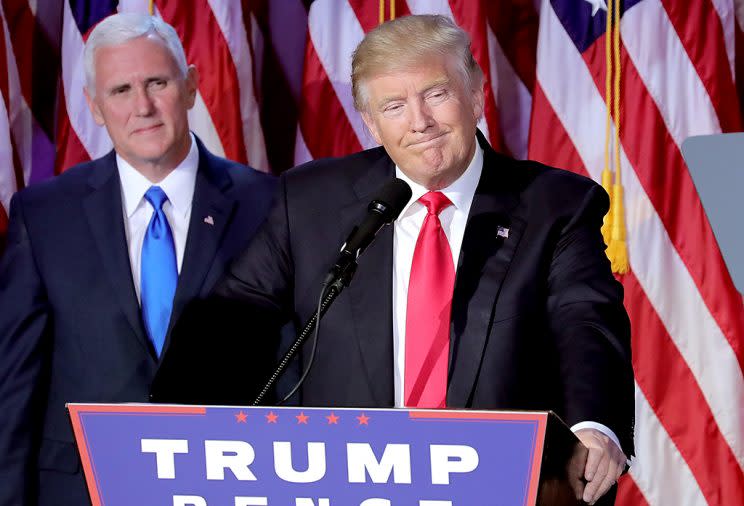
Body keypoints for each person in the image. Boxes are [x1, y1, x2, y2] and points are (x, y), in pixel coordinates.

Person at [165, 14, 634, 506]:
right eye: (394, 105)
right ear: (371, 123)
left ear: (475, 94)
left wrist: (594, 424)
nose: (420, 122)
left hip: (501, 486)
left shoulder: (555, 204)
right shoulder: (310, 202)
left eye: (436, 94)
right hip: (348, 488)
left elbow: (585, 321)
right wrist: (162, 423)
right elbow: (229, 324)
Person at [0, 13, 276, 506]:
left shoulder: (268, 204)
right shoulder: (44, 216)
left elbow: (292, 366)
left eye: (157, 82)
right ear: (95, 107)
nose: (143, 106)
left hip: (229, 485)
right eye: (121, 90)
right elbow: (15, 388)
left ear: (191, 86)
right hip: (80, 490)